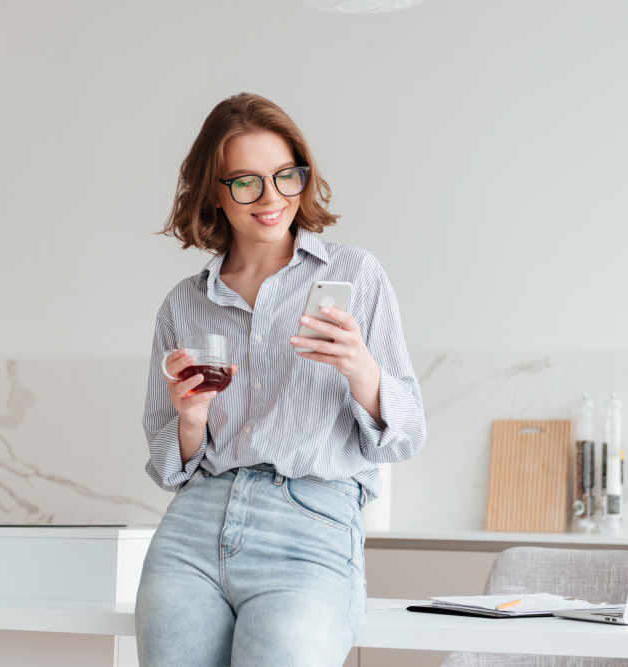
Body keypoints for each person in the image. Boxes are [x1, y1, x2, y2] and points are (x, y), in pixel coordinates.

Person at [135, 92, 427, 667]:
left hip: (310, 524)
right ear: (213, 192)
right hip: (193, 528)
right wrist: (191, 419)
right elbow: (169, 463)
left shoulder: (354, 274)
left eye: (285, 176)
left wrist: (360, 370)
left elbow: (407, 433)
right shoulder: (184, 305)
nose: (271, 199)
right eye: (245, 182)